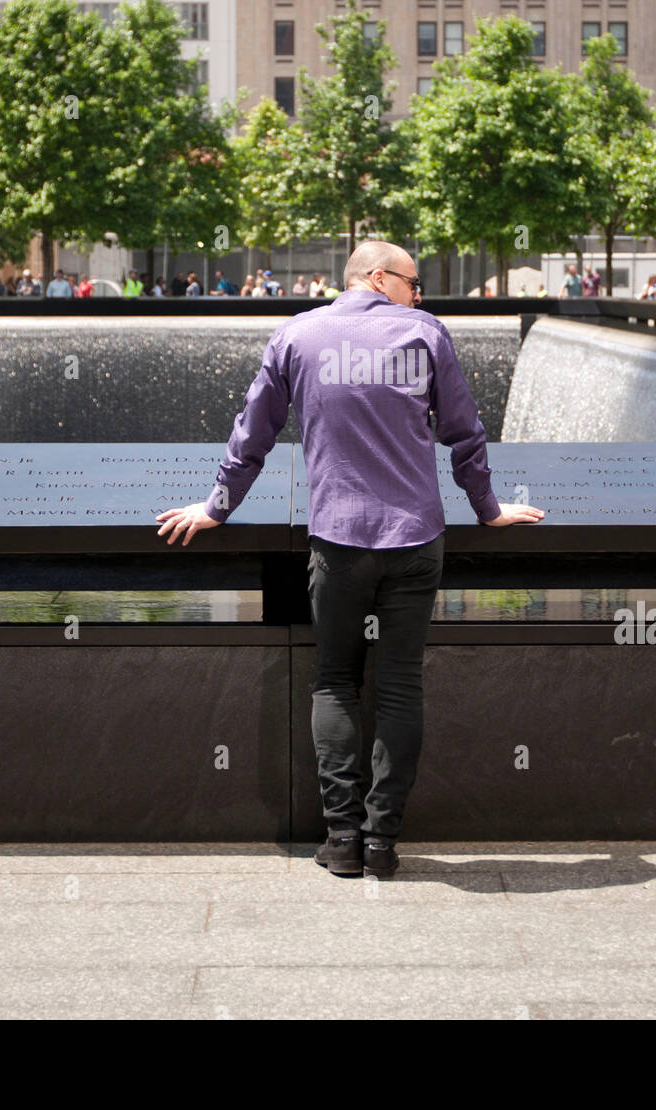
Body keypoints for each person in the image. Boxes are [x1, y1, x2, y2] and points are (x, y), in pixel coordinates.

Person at [155, 240, 544, 880]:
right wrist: (487, 508)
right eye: (414, 283)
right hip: (416, 538)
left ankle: (341, 841)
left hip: (337, 540)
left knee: (334, 680)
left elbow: (251, 434)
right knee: (399, 686)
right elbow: (465, 433)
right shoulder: (426, 336)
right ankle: (382, 842)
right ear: (378, 277)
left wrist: (216, 508)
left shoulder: (297, 337)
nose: (419, 296)